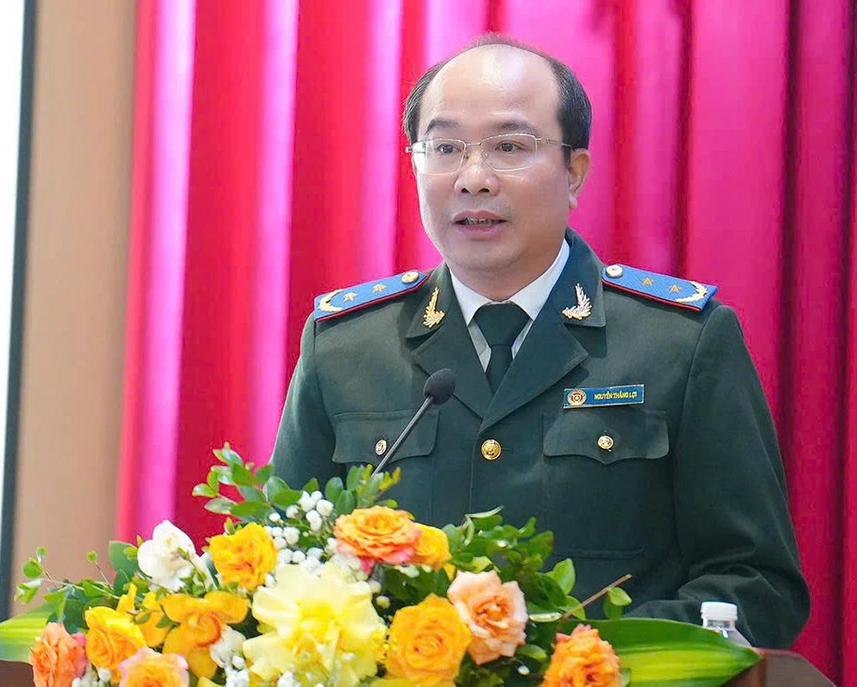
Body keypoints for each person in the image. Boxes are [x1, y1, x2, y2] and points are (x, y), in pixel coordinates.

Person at [271, 35, 809, 648]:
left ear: (573, 172)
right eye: (445, 149)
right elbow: (284, 566)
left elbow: (756, 585)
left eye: (509, 147)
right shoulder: (346, 347)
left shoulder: (680, 345)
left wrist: (588, 659)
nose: (474, 179)